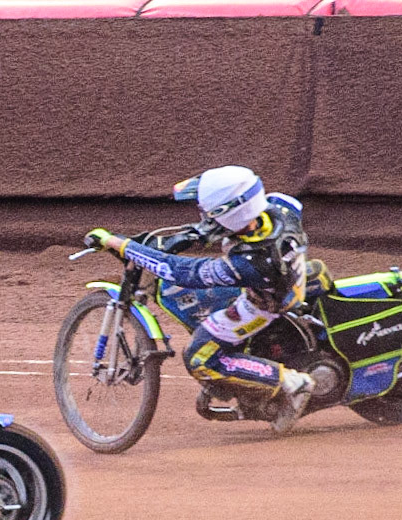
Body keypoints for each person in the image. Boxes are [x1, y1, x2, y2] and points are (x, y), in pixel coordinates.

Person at [83, 165, 317, 434]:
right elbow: (226, 226)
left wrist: (120, 245)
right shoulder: (280, 208)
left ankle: (291, 382)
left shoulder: (246, 263)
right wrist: (194, 233)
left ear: (229, 213)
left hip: (264, 304)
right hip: (290, 279)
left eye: (208, 211)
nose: (202, 214)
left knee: (198, 358)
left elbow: (182, 272)